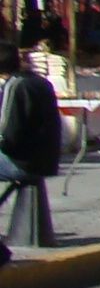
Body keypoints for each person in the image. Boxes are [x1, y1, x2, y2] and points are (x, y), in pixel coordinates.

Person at [0, 42, 63, 243]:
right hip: (46, 159)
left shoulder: (15, 85)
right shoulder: (40, 82)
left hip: (24, 162)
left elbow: (7, 136)